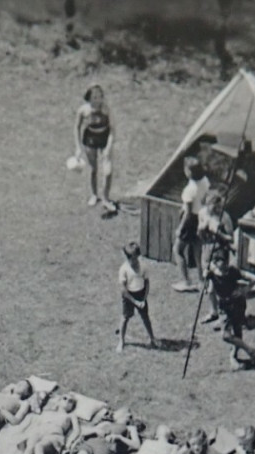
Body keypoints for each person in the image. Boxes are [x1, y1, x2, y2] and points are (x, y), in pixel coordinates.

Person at [12, 393, 81, 454]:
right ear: (59, 400)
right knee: (29, 448)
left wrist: (69, 443)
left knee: (39, 447)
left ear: (72, 406)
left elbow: (76, 430)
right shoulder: (48, 412)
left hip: (54, 435)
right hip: (39, 432)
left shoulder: (70, 416)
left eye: (70, 401)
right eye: (64, 398)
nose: (66, 401)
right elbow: (36, 404)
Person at [206, 243, 255, 369]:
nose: (222, 265)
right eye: (217, 262)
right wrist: (207, 280)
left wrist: (244, 290)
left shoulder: (233, 271)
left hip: (238, 304)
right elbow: (210, 290)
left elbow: (254, 279)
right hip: (224, 307)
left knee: (237, 332)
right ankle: (251, 350)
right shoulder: (212, 274)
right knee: (226, 335)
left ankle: (234, 358)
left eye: (224, 262)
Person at [197, 191, 239, 325]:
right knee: (209, 286)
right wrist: (203, 228)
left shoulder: (224, 217)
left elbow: (231, 239)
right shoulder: (202, 213)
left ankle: (224, 315)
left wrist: (219, 233)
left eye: (218, 207)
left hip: (220, 253)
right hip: (206, 251)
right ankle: (213, 312)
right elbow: (199, 234)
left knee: (220, 286)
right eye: (214, 207)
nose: (217, 210)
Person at [75, 84, 115, 214]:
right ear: (89, 98)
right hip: (90, 139)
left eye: (100, 96)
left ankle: (106, 198)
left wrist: (109, 147)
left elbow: (113, 130)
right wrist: (78, 147)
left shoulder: (106, 110)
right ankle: (94, 195)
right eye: (95, 97)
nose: (98, 100)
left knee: (108, 170)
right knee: (93, 169)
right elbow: (76, 128)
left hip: (104, 137)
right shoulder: (83, 111)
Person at [174, 157, 210, 293]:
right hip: (201, 217)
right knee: (198, 251)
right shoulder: (205, 181)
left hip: (191, 220)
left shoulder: (189, 190)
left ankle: (185, 281)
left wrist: (180, 228)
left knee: (177, 250)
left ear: (189, 172)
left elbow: (188, 213)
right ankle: (202, 281)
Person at [117, 241, 155, 352]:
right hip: (129, 296)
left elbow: (147, 283)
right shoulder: (124, 269)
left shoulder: (143, 266)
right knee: (125, 318)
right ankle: (121, 341)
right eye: (133, 259)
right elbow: (123, 290)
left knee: (146, 318)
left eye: (136, 258)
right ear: (128, 258)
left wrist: (143, 298)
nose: (135, 261)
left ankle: (152, 338)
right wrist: (135, 301)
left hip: (141, 294)